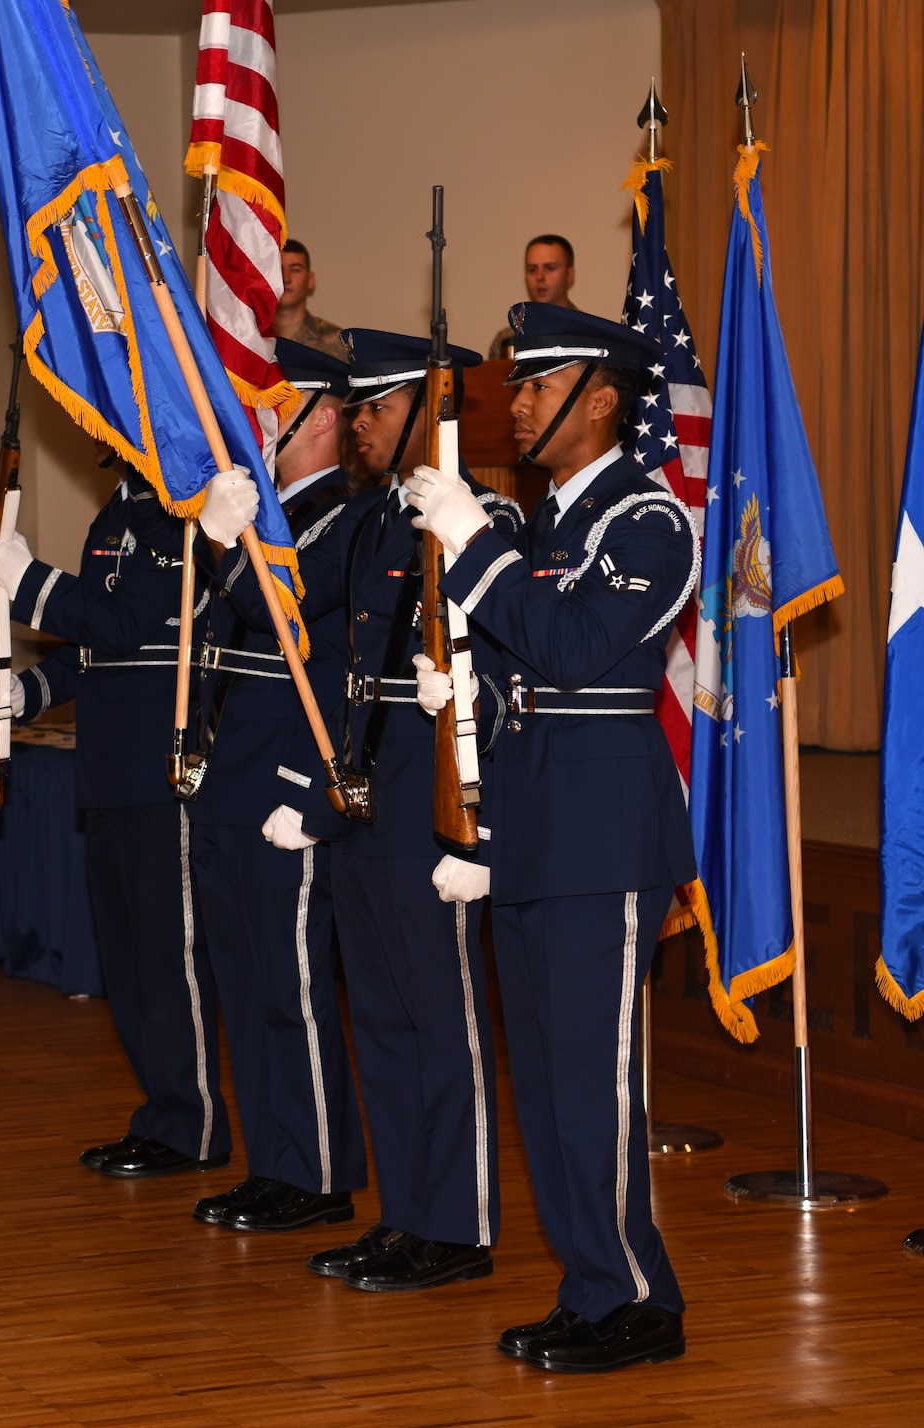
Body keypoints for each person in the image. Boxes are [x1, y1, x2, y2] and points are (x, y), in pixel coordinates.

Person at [407, 303, 695, 1373]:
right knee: (544, 1086)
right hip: (531, 831)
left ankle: (635, 1299)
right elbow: (516, 660)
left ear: (600, 397)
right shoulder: (543, 528)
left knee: (591, 1084)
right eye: (515, 384)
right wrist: (463, 689)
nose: (514, 402)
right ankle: (589, 1287)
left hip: (601, 841)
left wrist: (472, 549)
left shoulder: (646, 521)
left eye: (534, 384)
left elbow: (572, 647)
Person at [278, 330, 522, 1292]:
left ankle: (456, 1228)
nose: (362, 427)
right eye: (360, 410)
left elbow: (511, 673)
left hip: (437, 815)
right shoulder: (371, 520)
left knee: (443, 1023)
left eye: (378, 408)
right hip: (369, 808)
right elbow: (325, 649)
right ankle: (407, 1215)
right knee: (379, 1020)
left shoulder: (482, 516)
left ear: (429, 406)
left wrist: (483, 824)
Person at [0, 450, 248, 1181]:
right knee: (127, 961)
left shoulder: (180, 519)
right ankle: (163, 1115)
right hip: (109, 770)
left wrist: (30, 583)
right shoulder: (116, 514)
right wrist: (25, 693)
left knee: (171, 959)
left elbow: (127, 624)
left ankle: (196, 1125)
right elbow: (93, 649)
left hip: (165, 770)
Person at [183, 339, 368, 1234]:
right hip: (232, 780)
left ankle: (320, 1170)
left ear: (323, 419)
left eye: (274, 407)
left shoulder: (340, 520)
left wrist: (305, 788)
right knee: (246, 980)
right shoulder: (274, 523)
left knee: (291, 989)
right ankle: (275, 1161)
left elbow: (283, 620)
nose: (256, 424)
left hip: (287, 789)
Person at [489, 235, 578, 359]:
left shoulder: (588, 334)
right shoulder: (507, 338)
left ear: (569, 275)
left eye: (550, 268)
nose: (539, 277)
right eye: (532, 269)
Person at [273, 240, 350, 361]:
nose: (286, 278)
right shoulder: (247, 337)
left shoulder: (339, 342)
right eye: (278, 269)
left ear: (310, 280)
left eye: (296, 269)